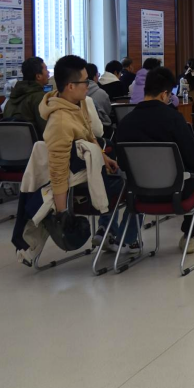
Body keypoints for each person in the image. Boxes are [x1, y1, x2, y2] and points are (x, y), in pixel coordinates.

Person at [115, 67, 194, 255]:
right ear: (164, 94)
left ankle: (127, 238)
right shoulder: (174, 119)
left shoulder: (125, 122)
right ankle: (189, 235)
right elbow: (192, 158)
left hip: (137, 194)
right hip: (175, 192)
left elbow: (122, 163)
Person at [42, 56, 130, 249]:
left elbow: (89, 136)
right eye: (85, 82)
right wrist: (62, 213)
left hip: (92, 173)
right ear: (70, 86)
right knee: (131, 183)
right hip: (82, 187)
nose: (88, 86)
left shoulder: (77, 104)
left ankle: (108, 233)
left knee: (124, 171)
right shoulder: (60, 122)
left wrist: (104, 157)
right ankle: (120, 237)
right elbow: (58, 171)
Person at [3, 56, 49, 136]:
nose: (48, 72)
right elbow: (48, 131)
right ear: (38, 76)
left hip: (10, 143)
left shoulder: (10, 100)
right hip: (35, 143)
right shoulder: (40, 98)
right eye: (46, 69)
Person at [84, 63, 113, 131]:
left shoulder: (74, 92)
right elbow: (107, 111)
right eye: (98, 75)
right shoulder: (102, 93)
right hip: (101, 128)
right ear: (95, 76)